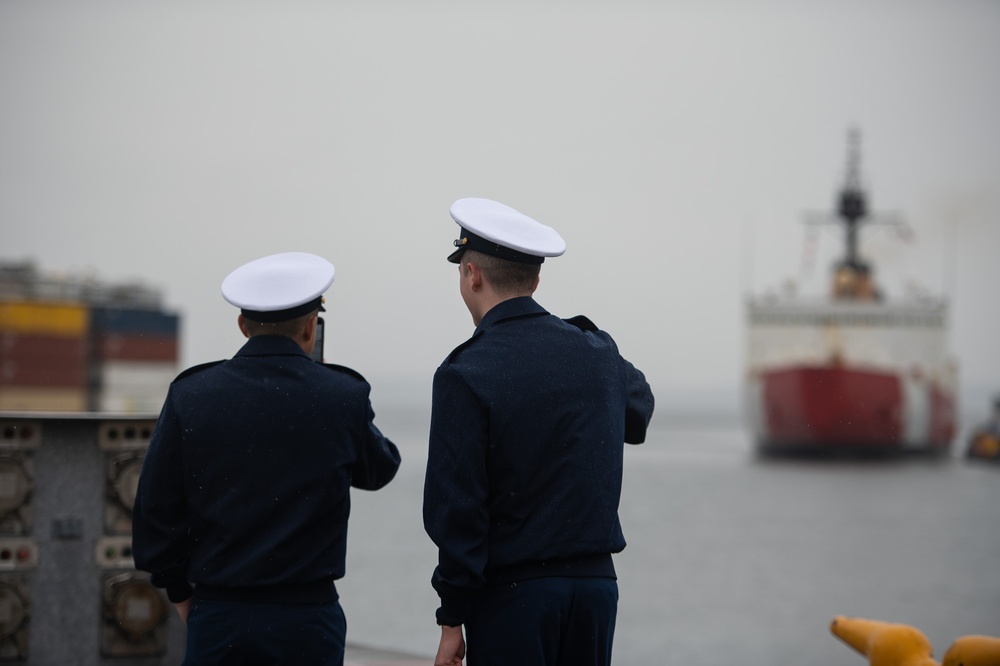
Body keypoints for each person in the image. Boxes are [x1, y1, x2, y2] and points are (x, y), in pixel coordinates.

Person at [132, 251, 401, 665]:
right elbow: (380, 468)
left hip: (217, 614)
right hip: (307, 620)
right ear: (312, 326)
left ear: (242, 325)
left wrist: (181, 594)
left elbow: (154, 514)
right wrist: (327, 386)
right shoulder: (341, 396)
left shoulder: (192, 394)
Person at [423, 198, 655, 666]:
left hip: (515, 597)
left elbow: (458, 510)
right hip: (595, 590)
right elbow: (638, 413)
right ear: (536, 279)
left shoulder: (465, 373)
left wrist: (452, 618)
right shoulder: (597, 351)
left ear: (472, 275)